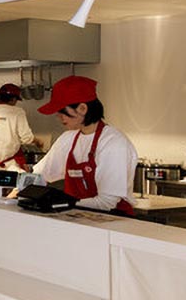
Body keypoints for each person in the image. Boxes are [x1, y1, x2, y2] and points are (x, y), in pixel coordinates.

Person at [32, 76, 137, 215]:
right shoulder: (68, 139)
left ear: (82, 108)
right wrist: (19, 190)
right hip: (76, 217)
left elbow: (107, 203)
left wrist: (61, 203)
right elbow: (39, 175)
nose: (58, 116)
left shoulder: (114, 142)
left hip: (112, 220)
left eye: (62, 111)